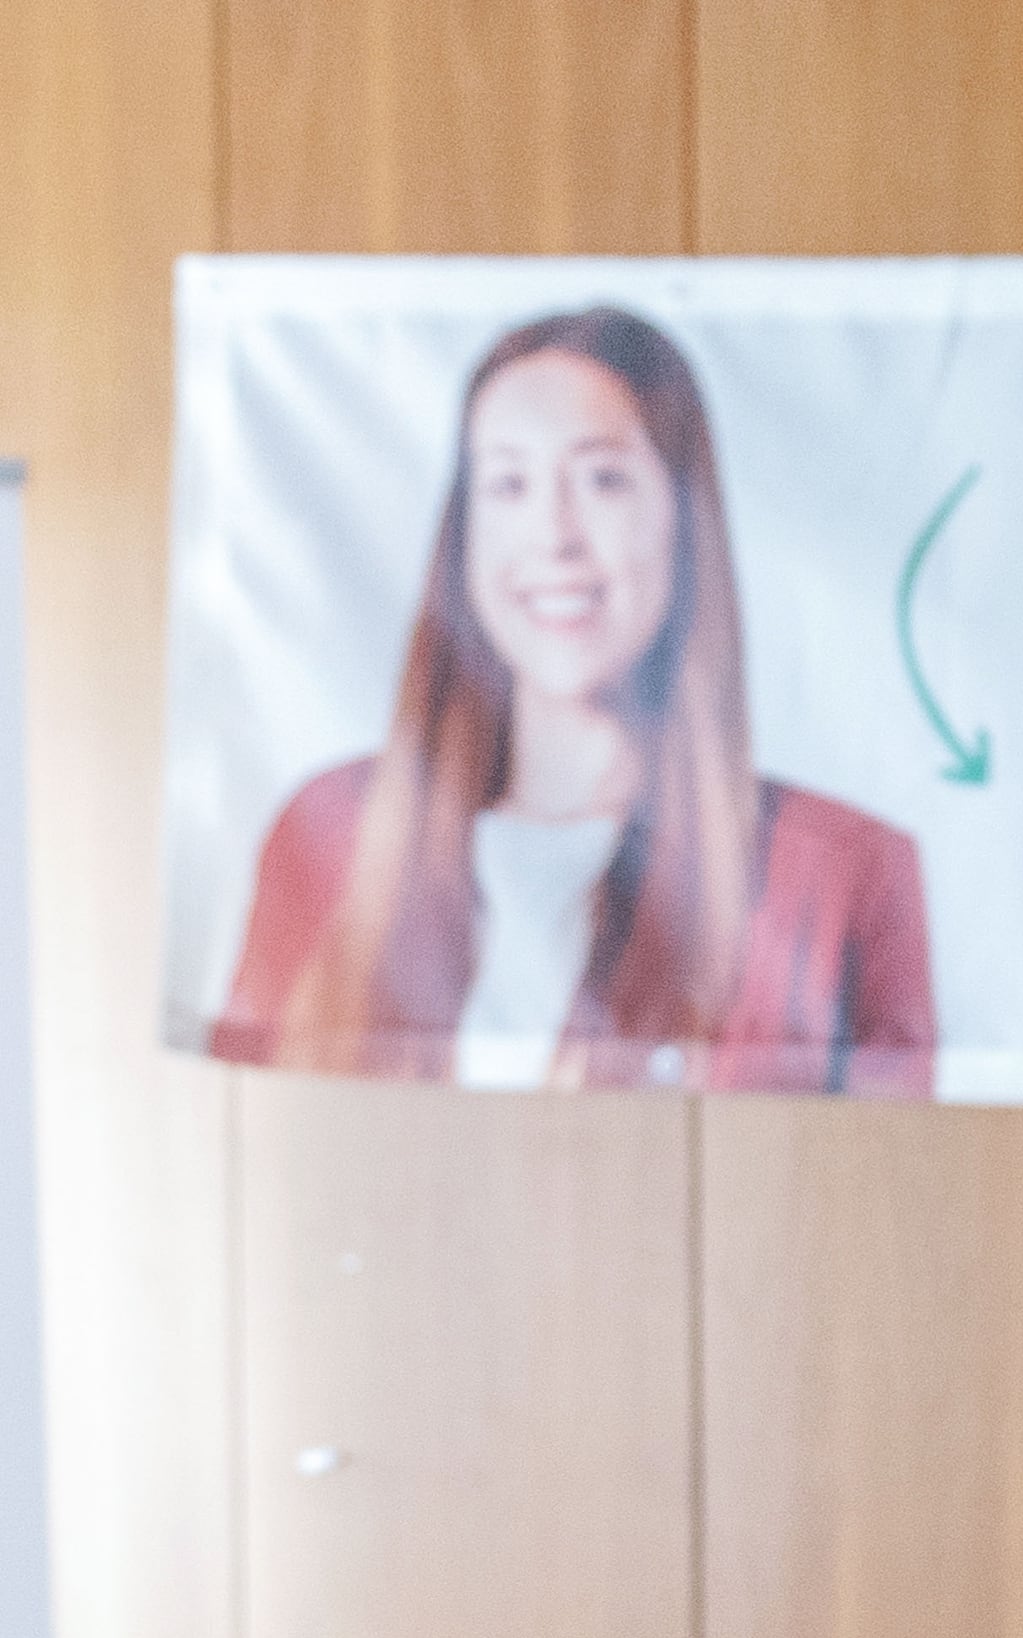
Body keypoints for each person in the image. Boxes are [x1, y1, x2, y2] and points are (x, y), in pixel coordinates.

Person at [212, 305, 933, 1097]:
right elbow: (246, 1138)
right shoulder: (330, 832)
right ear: (465, 531)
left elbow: (884, 1185)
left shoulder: (840, 874)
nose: (555, 534)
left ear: (682, 520)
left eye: (602, 480)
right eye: (509, 484)